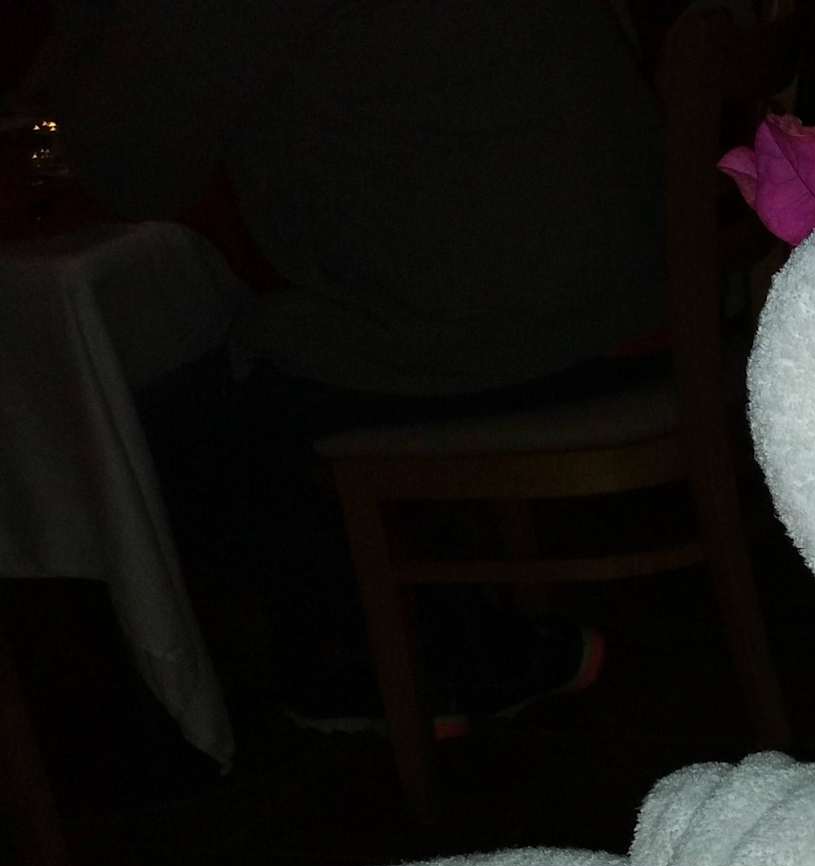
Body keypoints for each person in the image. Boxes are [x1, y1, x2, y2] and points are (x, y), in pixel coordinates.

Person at [29, 0, 670, 729]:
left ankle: (394, 667)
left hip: (533, 329)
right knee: (259, 340)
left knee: (180, 394)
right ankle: (434, 637)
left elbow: (129, 168)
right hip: (651, 295)